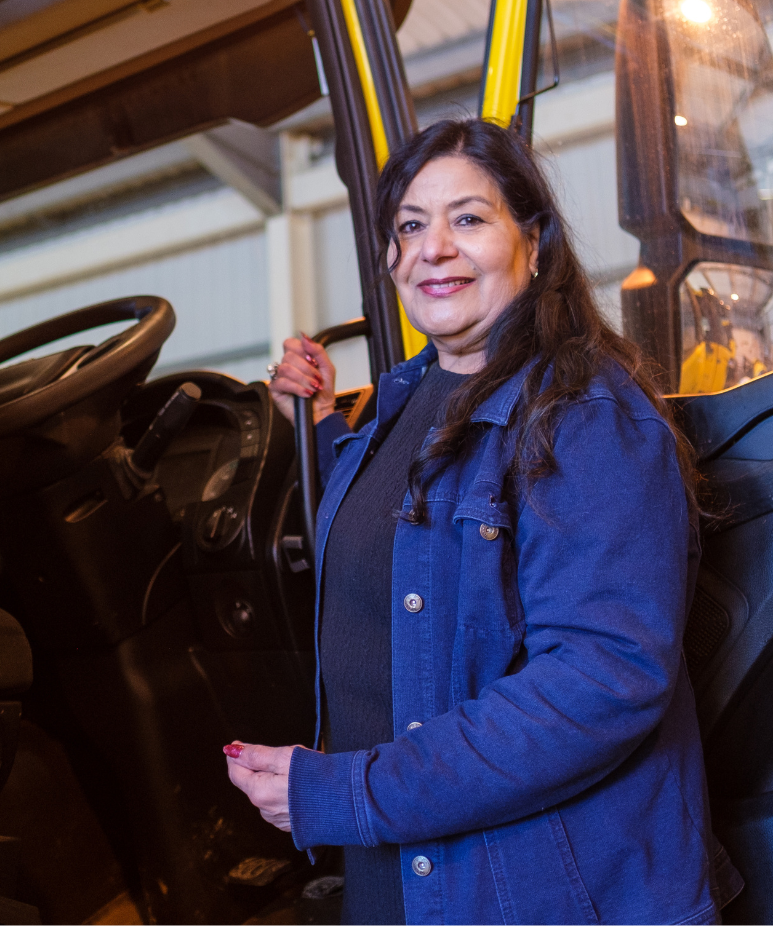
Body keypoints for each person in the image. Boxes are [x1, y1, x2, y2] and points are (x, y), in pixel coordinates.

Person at [224, 118, 742, 925]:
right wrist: (325, 425)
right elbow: (410, 545)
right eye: (410, 226)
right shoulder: (404, 400)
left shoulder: (583, 416)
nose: (433, 248)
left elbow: (598, 683)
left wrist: (348, 792)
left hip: (534, 892)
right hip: (408, 872)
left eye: (468, 218)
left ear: (533, 243)